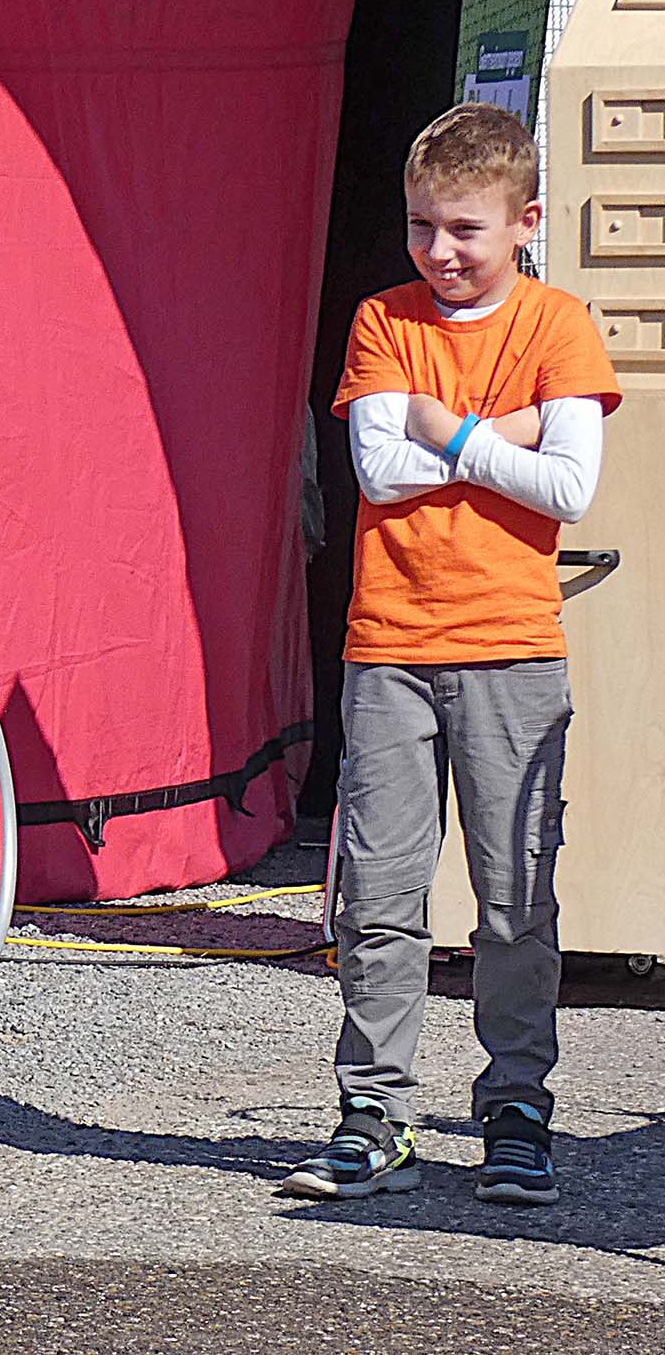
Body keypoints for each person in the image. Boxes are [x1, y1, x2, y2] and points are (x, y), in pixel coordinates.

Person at [284, 102, 619, 1205]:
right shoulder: (382, 321)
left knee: (513, 892)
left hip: (512, 648)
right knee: (375, 894)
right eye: (421, 226)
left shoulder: (558, 323)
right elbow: (376, 470)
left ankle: (515, 1105)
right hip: (386, 646)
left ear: (524, 221)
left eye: (464, 230)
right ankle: (371, 1109)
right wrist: (509, 437)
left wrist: (457, 432)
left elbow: (570, 486)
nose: (438, 250)